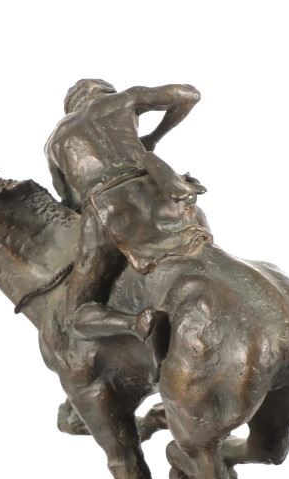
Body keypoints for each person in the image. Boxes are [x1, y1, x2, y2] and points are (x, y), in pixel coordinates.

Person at [45, 79, 212, 342]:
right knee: (204, 246)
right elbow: (189, 94)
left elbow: (69, 200)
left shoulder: (55, 141)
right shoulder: (123, 99)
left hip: (110, 209)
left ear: (71, 107)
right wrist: (153, 137)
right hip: (162, 193)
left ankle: (135, 324)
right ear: (104, 92)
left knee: (76, 313)